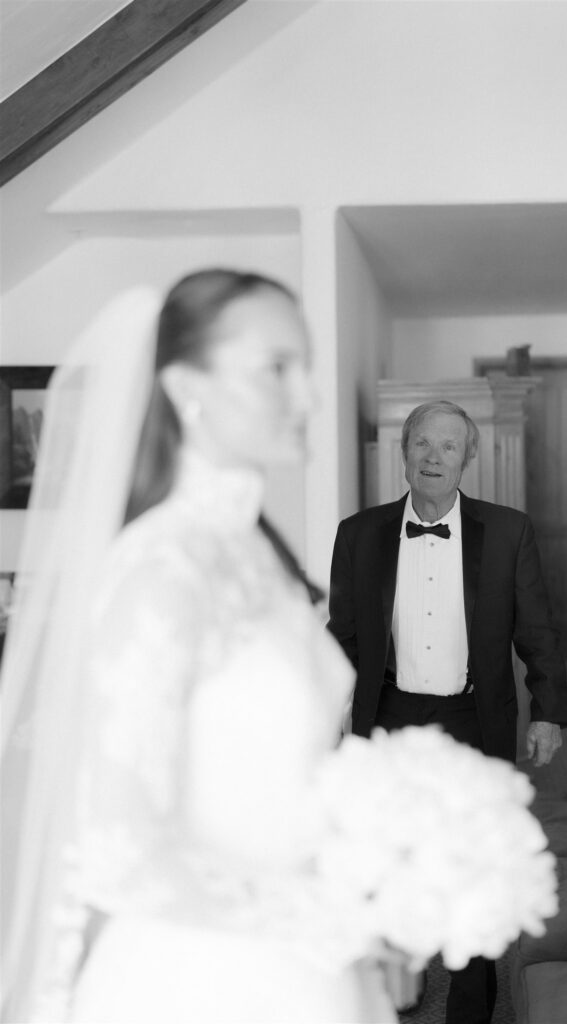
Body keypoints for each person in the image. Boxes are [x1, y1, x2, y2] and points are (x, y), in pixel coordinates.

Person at [1, 270, 396, 1024]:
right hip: (200, 979)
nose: (307, 398)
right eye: (276, 368)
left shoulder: (255, 554)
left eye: (305, 368)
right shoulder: (159, 568)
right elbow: (120, 851)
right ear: (186, 388)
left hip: (300, 961)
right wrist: (323, 914)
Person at [328, 399, 567, 1024]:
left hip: (475, 715)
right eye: (422, 444)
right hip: (389, 715)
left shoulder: (508, 531)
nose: (433, 457)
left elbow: (536, 629)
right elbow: (344, 638)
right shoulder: (359, 533)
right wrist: (323, 716)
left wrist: (548, 710)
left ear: (468, 459)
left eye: (448, 446)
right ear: (403, 452)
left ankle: (470, 1006)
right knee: (392, 860)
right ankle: (398, 989)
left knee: (474, 866)